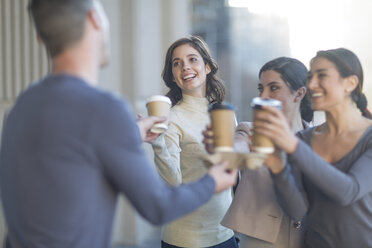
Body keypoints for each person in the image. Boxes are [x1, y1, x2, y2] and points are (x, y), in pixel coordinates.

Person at [0, 1, 238, 248]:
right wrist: (214, 180)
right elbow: (158, 207)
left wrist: (132, 131)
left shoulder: (21, 107)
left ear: (40, 37)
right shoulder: (104, 109)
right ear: (95, 20)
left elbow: (67, 153)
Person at [254, 48, 372, 248]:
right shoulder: (304, 138)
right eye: (310, 77)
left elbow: (348, 191)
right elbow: (298, 211)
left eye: (322, 76)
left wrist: (293, 146)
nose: (311, 84)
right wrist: (278, 168)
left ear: (350, 83)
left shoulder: (368, 137)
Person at [203, 57, 313, 248]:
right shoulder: (249, 131)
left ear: (299, 93)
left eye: (274, 87)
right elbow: (237, 151)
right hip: (262, 240)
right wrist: (224, 151)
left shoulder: (319, 138)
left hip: (309, 238)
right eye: (261, 88)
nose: (263, 95)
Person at [151, 36, 238, 248]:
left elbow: (233, 173)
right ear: (172, 75)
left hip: (225, 233)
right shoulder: (172, 118)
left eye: (192, 59)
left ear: (207, 67)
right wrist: (158, 142)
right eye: (177, 63)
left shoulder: (223, 112)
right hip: (185, 239)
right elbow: (174, 183)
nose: (185, 67)